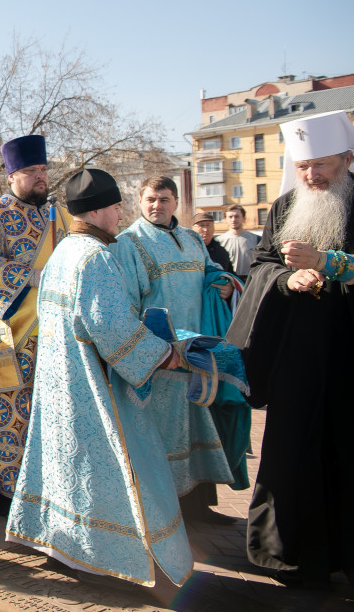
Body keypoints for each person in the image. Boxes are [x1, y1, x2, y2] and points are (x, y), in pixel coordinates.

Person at [6, 168, 192, 587]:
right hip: (92, 390)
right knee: (114, 468)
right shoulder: (96, 257)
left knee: (65, 469)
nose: (120, 213)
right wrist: (165, 355)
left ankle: (65, 550)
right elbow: (112, 329)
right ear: (97, 211)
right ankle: (112, 562)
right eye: (115, 206)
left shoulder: (63, 253)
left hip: (60, 387)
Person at [228, 109, 354, 586]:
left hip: (347, 353)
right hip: (297, 358)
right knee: (292, 452)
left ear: (346, 159)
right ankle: (288, 555)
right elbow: (260, 268)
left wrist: (328, 263)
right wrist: (285, 278)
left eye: (320, 165)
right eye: (303, 166)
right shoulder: (283, 208)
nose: (311, 175)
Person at [110, 176, 243, 522]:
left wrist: (223, 284)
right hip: (162, 357)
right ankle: (167, 512)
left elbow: (212, 272)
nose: (158, 205)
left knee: (199, 423)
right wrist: (151, 349)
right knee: (164, 433)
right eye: (151, 199)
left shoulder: (191, 239)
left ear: (176, 203)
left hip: (197, 352)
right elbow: (126, 301)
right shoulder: (129, 242)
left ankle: (200, 508)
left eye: (165, 199)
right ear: (140, 200)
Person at [0, 134, 70, 516]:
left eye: (43, 169)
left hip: (55, 332)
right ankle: (4, 492)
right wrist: (31, 277)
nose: (41, 177)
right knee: (8, 409)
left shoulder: (60, 215)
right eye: (31, 171)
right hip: (10, 333)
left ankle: (46, 489)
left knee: (50, 411)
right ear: (12, 176)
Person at [216, 204, 260, 281]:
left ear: (243, 218)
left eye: (237, 216)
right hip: (228, 281)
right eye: (230, 217)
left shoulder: (256, 239)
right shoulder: (218, 241)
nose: (233, 220)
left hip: (251, 281)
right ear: (225, 219)